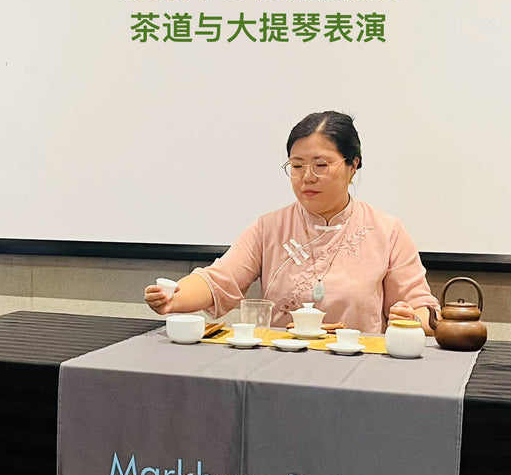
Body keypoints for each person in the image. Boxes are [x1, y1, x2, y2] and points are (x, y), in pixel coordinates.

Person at [144, 111, 438, 333]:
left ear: (353, 166)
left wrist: (412, 318)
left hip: (359, 372)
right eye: (297, 166)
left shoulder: (387, 231)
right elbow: (220, 280)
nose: (307, 176)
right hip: (280, 369)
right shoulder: (270, 227)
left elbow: (422, 308)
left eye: (321, 165)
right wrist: (173, 298)